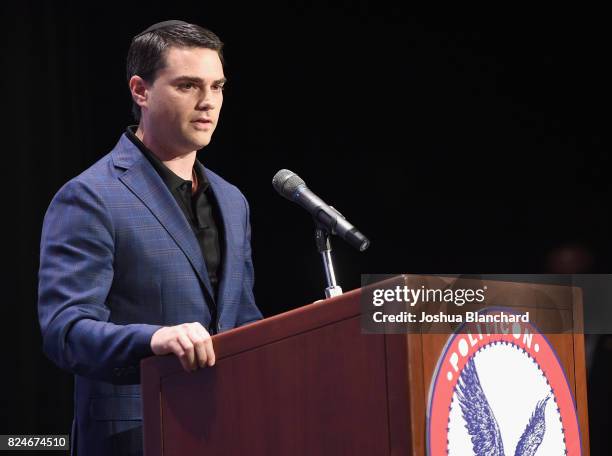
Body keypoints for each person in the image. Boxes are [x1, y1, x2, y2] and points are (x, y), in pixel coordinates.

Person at [37, 20, 262, 456]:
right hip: (136, 437)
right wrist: (153, 340)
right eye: (188, 86)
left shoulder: (233, 201)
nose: (208, 103)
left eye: (217, 86)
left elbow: (243, 321)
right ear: (140, 91)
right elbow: (64, 331)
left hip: (227, 428)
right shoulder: (90, 196)